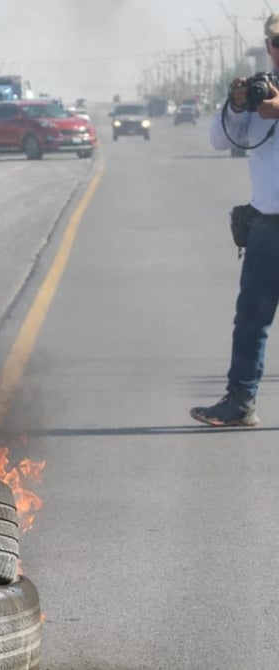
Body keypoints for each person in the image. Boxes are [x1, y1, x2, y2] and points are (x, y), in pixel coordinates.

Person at [190, 12, 279, 427]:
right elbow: (221, 141)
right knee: (251, 319)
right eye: (277, 41)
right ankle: (240, 403)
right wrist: (239, 105)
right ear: (268, 45)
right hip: (267, 224)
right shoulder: (263, 92)